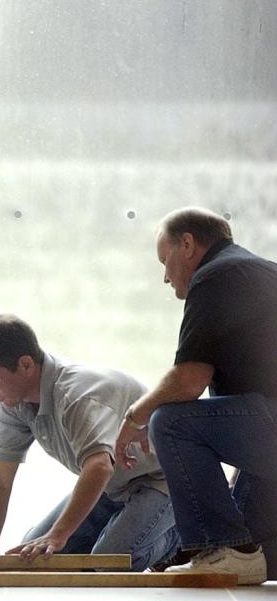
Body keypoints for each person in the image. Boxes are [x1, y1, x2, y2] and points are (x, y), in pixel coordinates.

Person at [116, 207, 277, 585]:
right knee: (251, 552)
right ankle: (232, 551)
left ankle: (218, 545)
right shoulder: (262, 272)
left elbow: (189, 381)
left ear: (187, 244)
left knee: (170, 422)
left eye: (164, 259)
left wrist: (133, 417)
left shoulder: (215, 275)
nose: (165, 276)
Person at [0, 314, 178, 571]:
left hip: (166, 480)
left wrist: (58, 535)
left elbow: (99, 467)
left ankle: (181, 540)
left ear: (25, 365)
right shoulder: (12, 404)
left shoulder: (76, 395)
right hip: (114, 487)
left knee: (107, 565)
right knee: (33, 559)